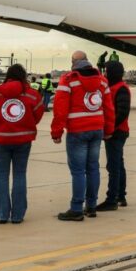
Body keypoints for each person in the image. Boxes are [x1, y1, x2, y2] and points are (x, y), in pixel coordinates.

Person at [52, 51, 114, 221]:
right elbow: (108, 107)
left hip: (77, 131)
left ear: (73, 62)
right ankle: (92, 206)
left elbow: (60, 108)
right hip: (97, 129)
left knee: (78, 171)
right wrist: (108, 130)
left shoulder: (69, 79)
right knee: (93, 168)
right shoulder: (102, 80)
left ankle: (76, 208)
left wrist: (56, 132)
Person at [0, 64, 43, 224]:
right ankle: (17, 215)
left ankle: (2, 214)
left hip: (0, 139)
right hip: (23, 140)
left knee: (1, 175)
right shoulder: (32, 94)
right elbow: (38, 114)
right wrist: (28, 125)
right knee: (20, 174)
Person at [96, 61, 130, 211]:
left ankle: (112, 199)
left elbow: (122, 113)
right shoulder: (112, 87)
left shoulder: (121, 89)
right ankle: (121, 195)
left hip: (116, 132)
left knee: (113, 166)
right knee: (118, 165)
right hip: (115, 131)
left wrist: (109, 129)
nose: (105, 74)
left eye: (107, 71)